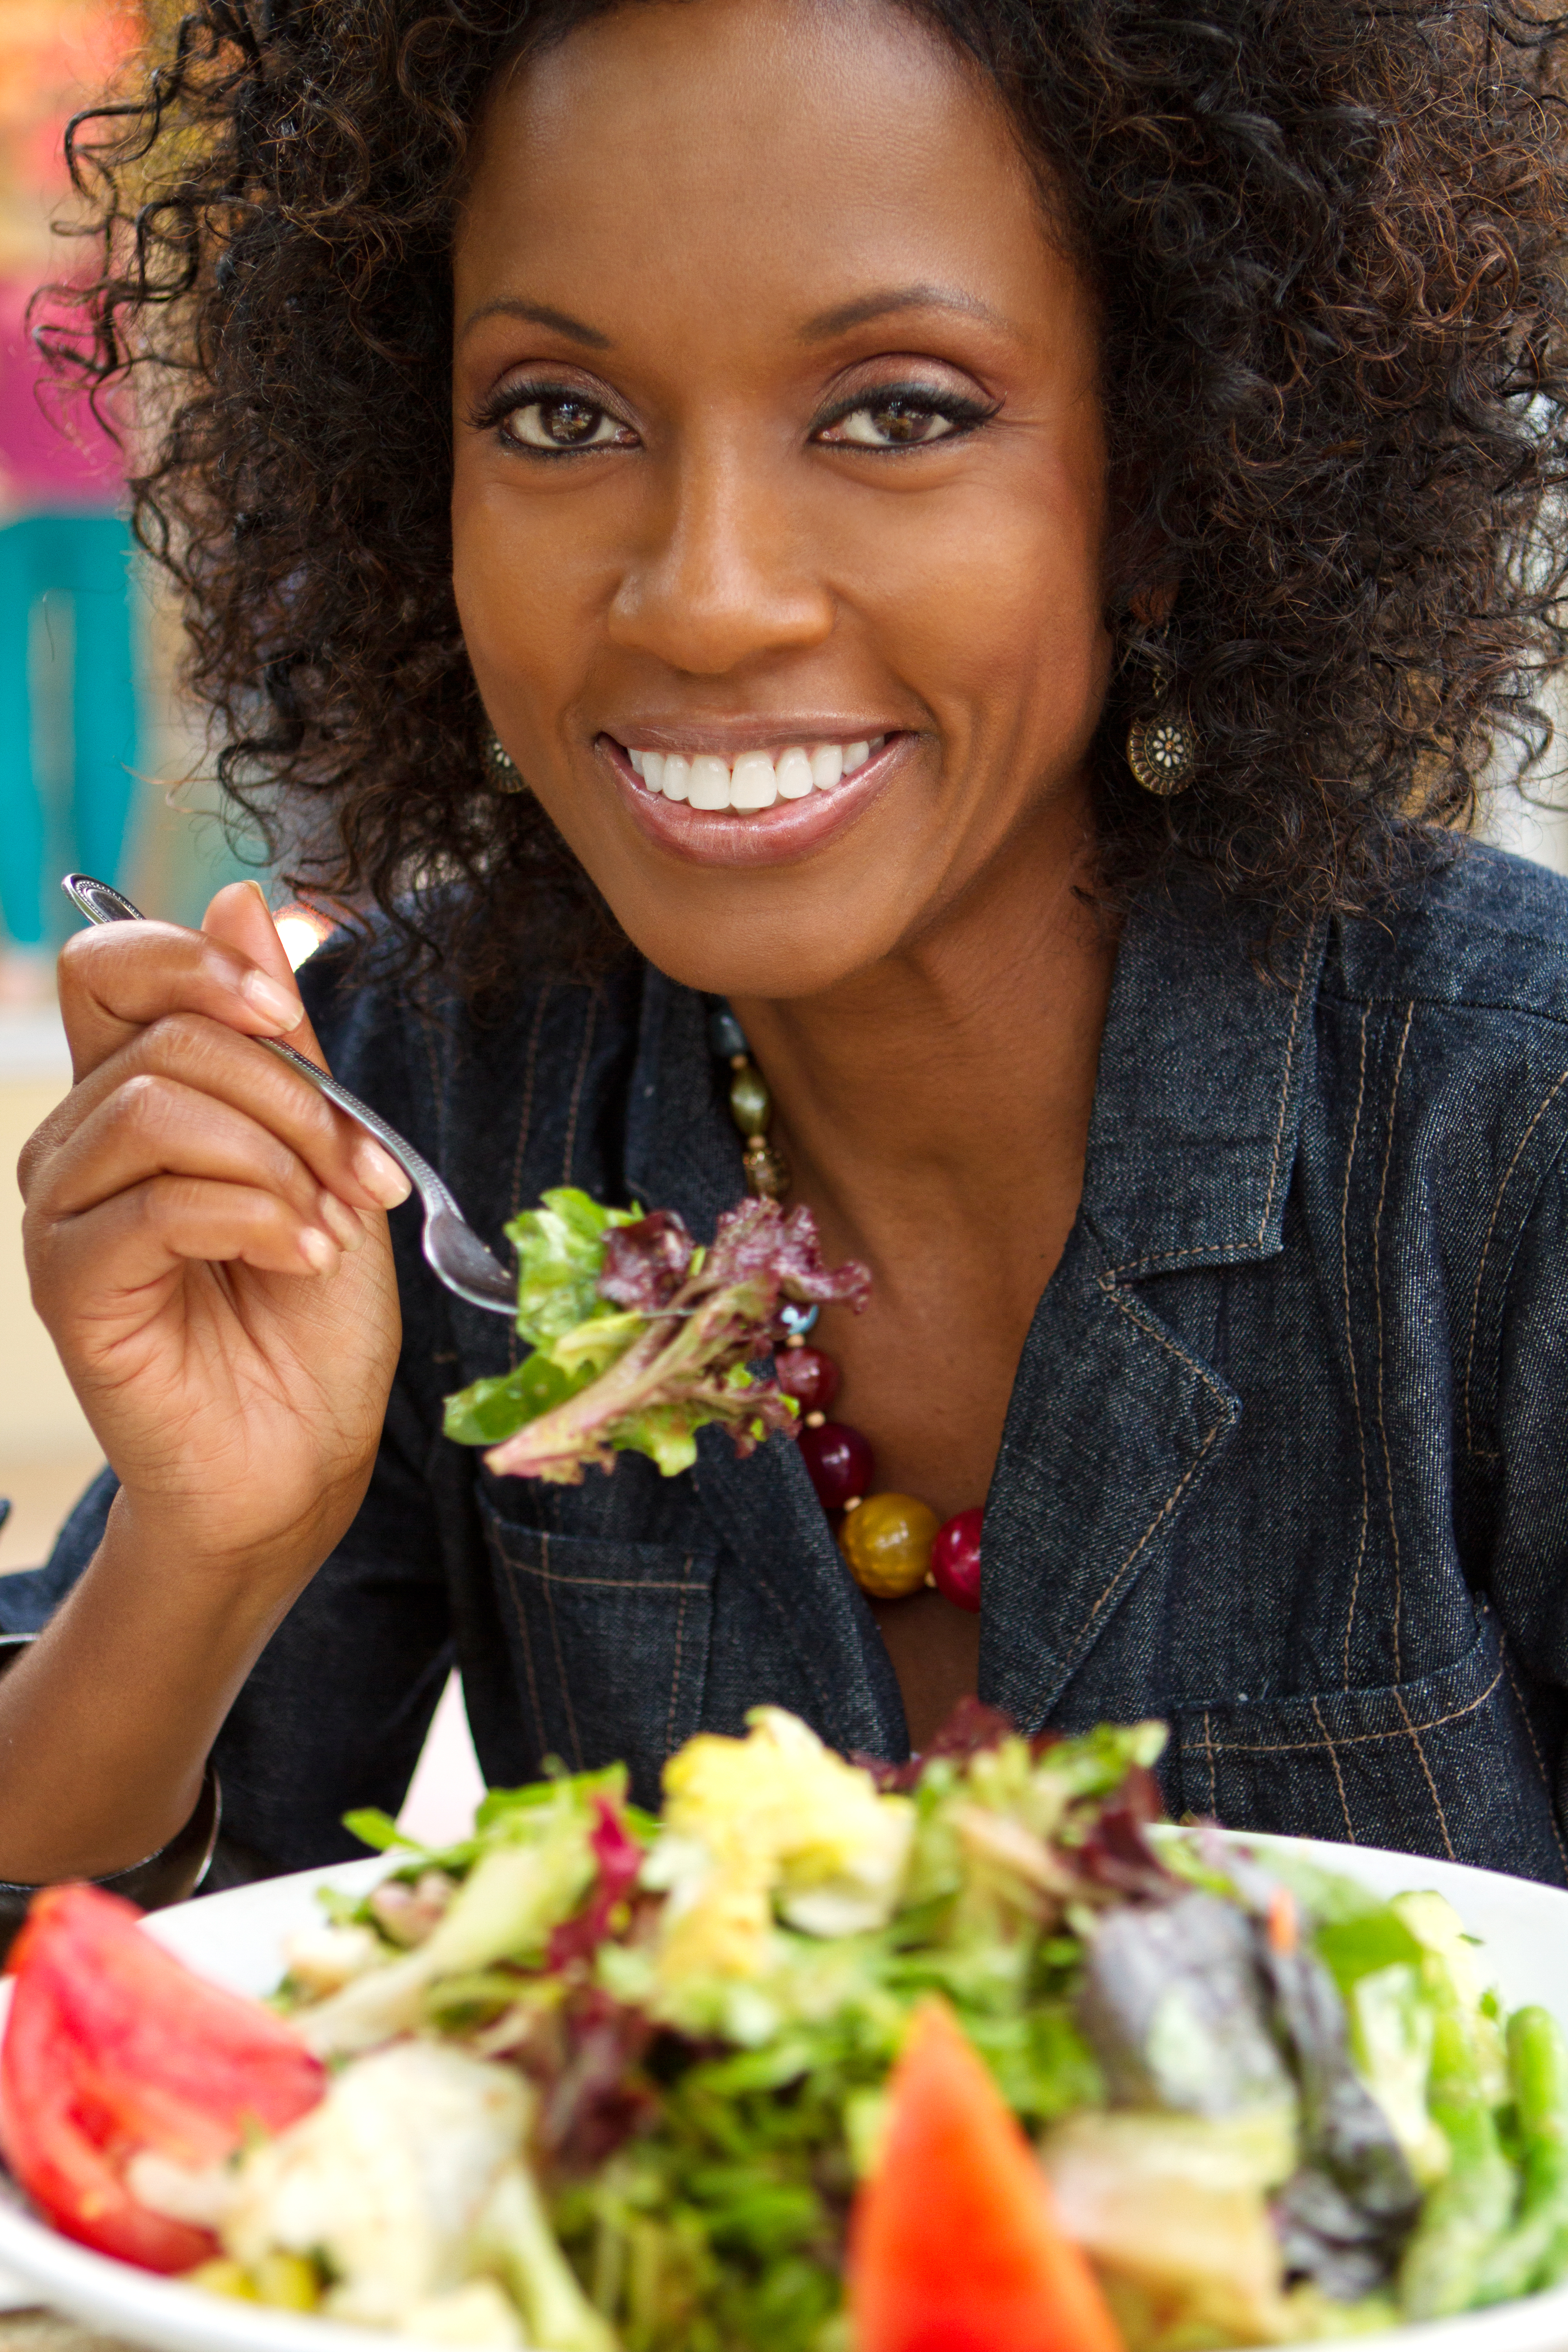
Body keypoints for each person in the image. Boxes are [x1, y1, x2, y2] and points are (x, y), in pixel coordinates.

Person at [6, 0, 1568, 1905]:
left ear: (1170, 479)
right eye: (559, 417)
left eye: (896, 411)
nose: (706, 599)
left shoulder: (1509, 1126)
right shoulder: (432, 1099)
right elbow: (109, 2011)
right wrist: (211, 1545)